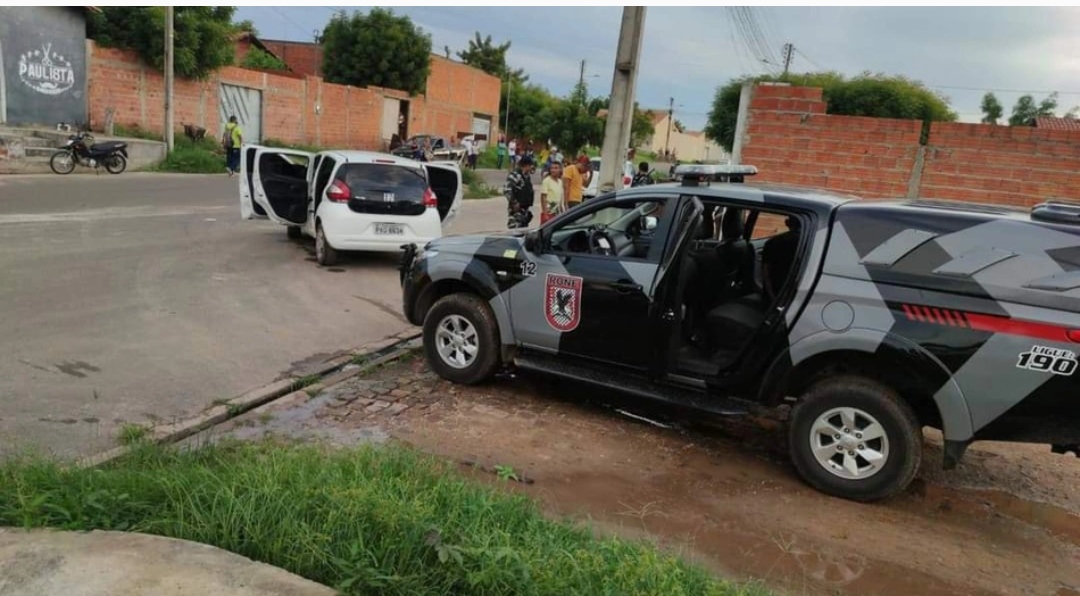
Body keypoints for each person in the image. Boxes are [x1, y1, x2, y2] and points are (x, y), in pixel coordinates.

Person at [505, 155, 535, 229]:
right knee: (515, 229)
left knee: (523, 229)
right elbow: (507, 190)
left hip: (525, 209)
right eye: (531, 165)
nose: (532, 168)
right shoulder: (515, 175)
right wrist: (514, 202)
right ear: (526, 165)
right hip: (516, 210)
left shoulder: (526, 176)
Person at [540, 160, 565, 224]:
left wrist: (563, 212)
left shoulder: (560, 182)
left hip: (557, 213)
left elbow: (560, 200)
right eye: (552, 168)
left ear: (560, 170)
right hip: (548, 213)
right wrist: (545, 214)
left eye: (556, 168)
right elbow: (543, 198)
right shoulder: (546, 181)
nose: (553, 170)